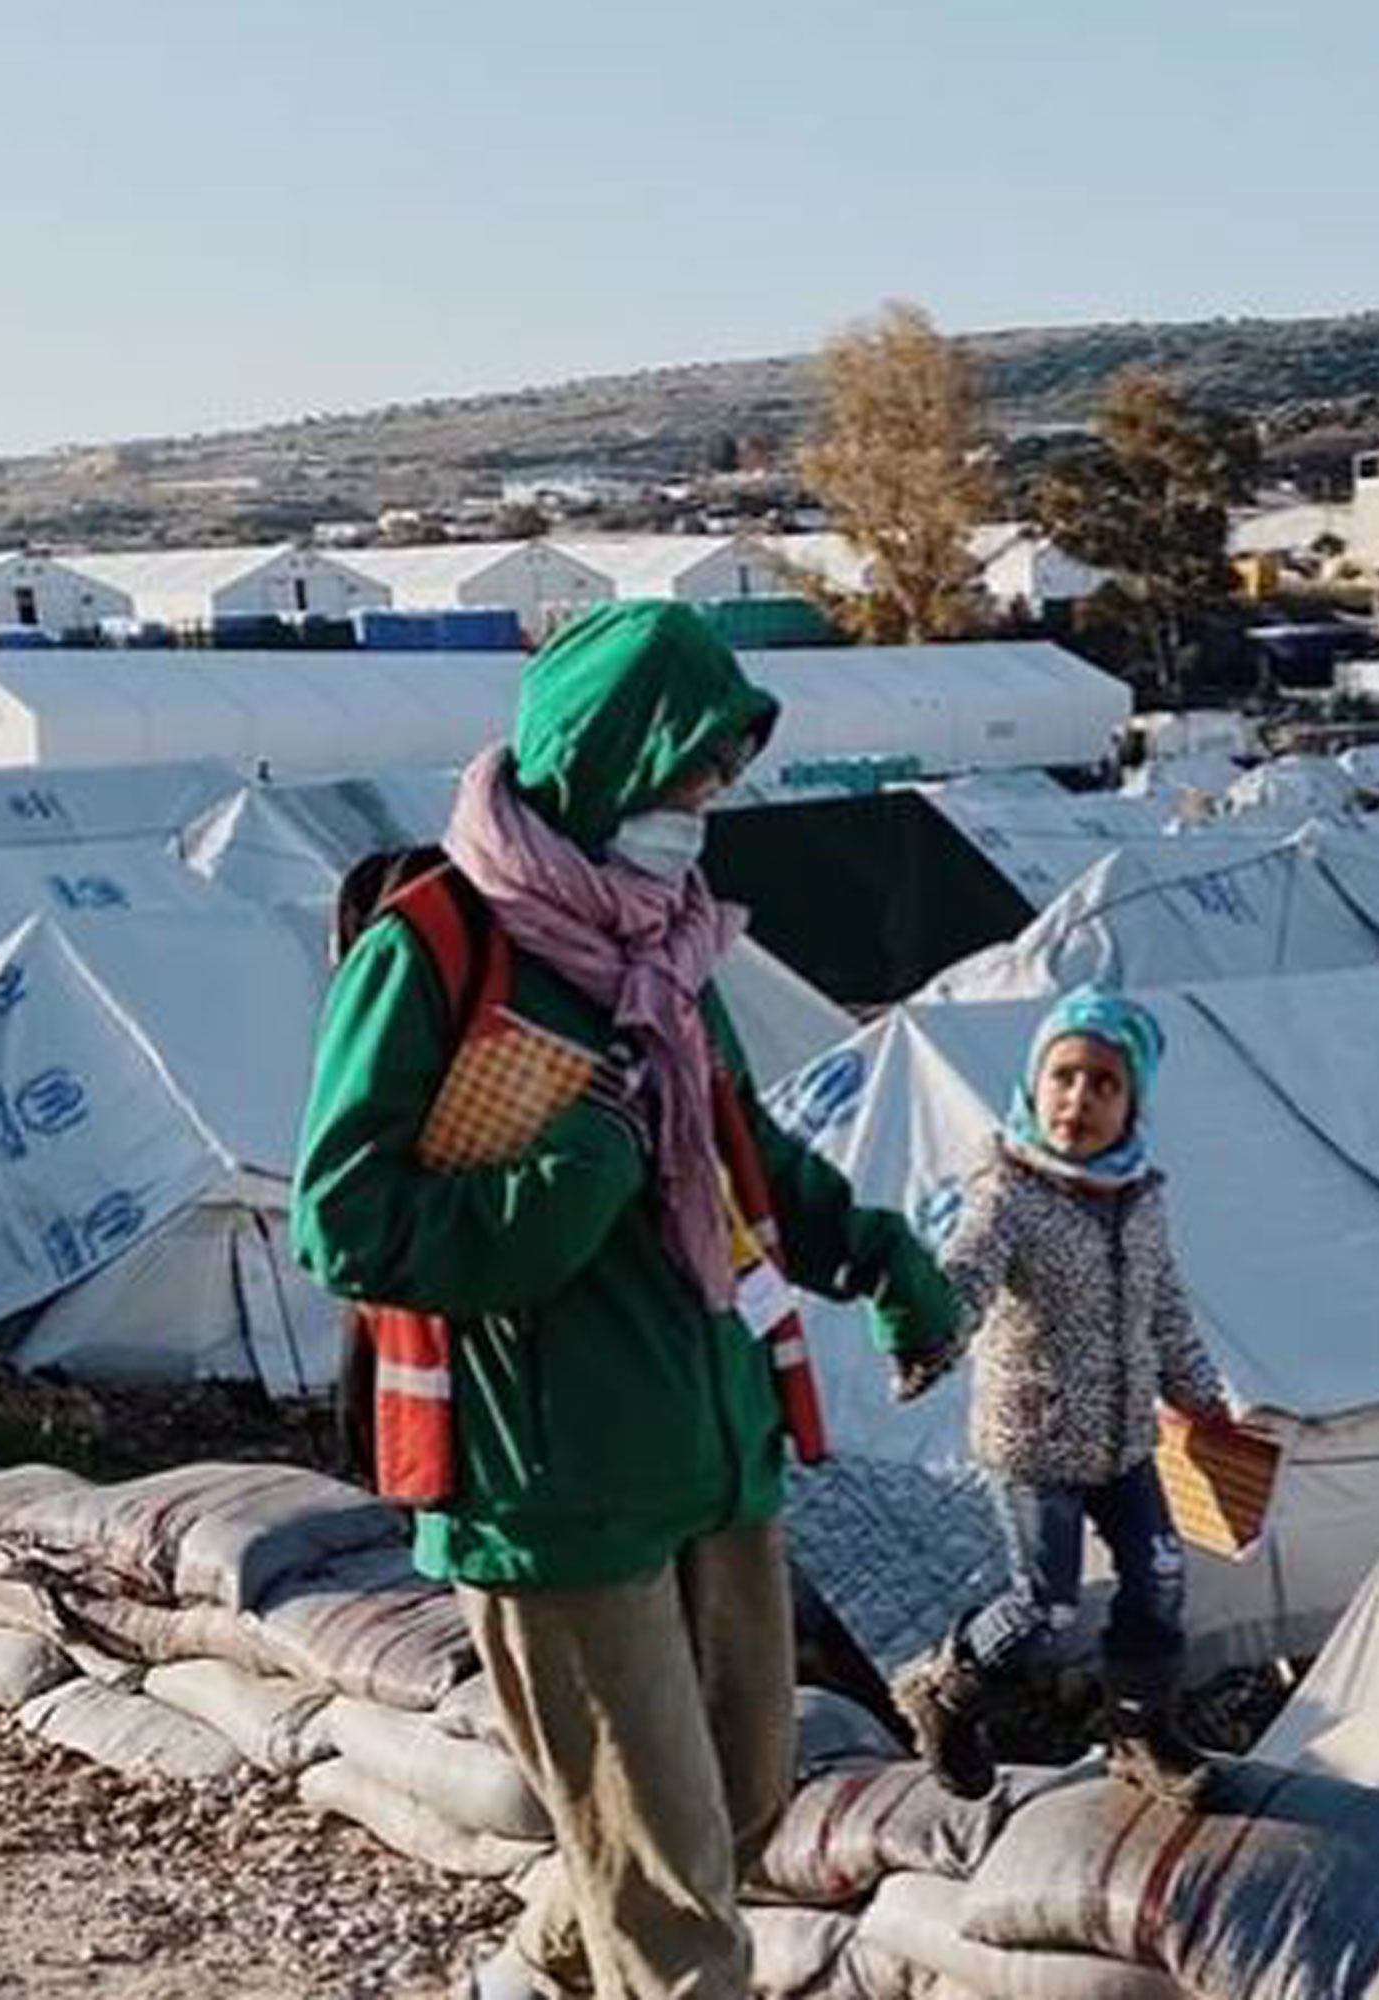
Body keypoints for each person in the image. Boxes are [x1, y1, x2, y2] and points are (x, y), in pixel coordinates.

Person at [293, 601, 959, 2000]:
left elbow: (742, 1149)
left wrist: (882, 1258)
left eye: (721, 772)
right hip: (552, 1479)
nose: (708, 804)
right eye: (688, 773)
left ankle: (532, 1977)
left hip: (710, 1446)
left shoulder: (662, 949)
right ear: (604, 759)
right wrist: (565, 1184)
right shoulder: (430, 952)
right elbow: (344, 1223)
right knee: (672, 1899)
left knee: (743, 1805)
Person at [892, 988, 1235, 1806]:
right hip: (1035, 1441)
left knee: (1160, 1578)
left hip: (1123, 1440)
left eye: (1104, 1084)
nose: (1079, 1099)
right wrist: (931, 1331)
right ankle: (948, 1692)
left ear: (1132, 1102)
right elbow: (967, 1274)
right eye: (1064, 1077)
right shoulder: (1010, 1192)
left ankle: (1139, 1730)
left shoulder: (1142, 1198)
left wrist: (1202, 1397)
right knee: (1045, 1609)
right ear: (1034, 1085)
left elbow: (1166, 1306)